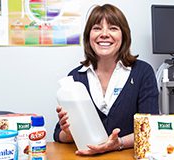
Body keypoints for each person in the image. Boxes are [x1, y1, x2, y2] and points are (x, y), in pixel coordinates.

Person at [53, 3, 159, 155]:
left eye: (113, 28)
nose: (104, 34)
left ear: (124, 35)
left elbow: (151, 127)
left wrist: (118, 143)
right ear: (88, 36)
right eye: (97, 28)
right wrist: (69, 132)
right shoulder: (75, 78)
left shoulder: (142, 72)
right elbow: (59, 135)